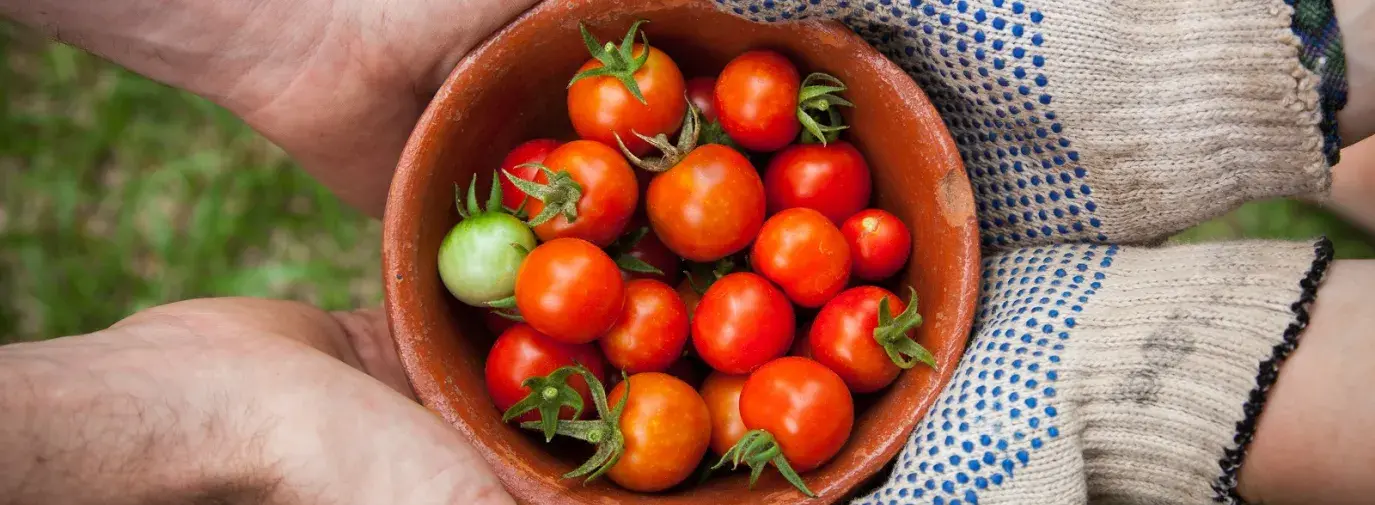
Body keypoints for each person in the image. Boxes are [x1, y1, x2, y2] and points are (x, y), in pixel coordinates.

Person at [0, 0, 1372, 503]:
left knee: (1215, 59)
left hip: (774, 298)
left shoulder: (631, 210)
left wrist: (287, 30)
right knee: (1238, 377)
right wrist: (214, 426)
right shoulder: (628, 302)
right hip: (765, 335)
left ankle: (1300, 77)